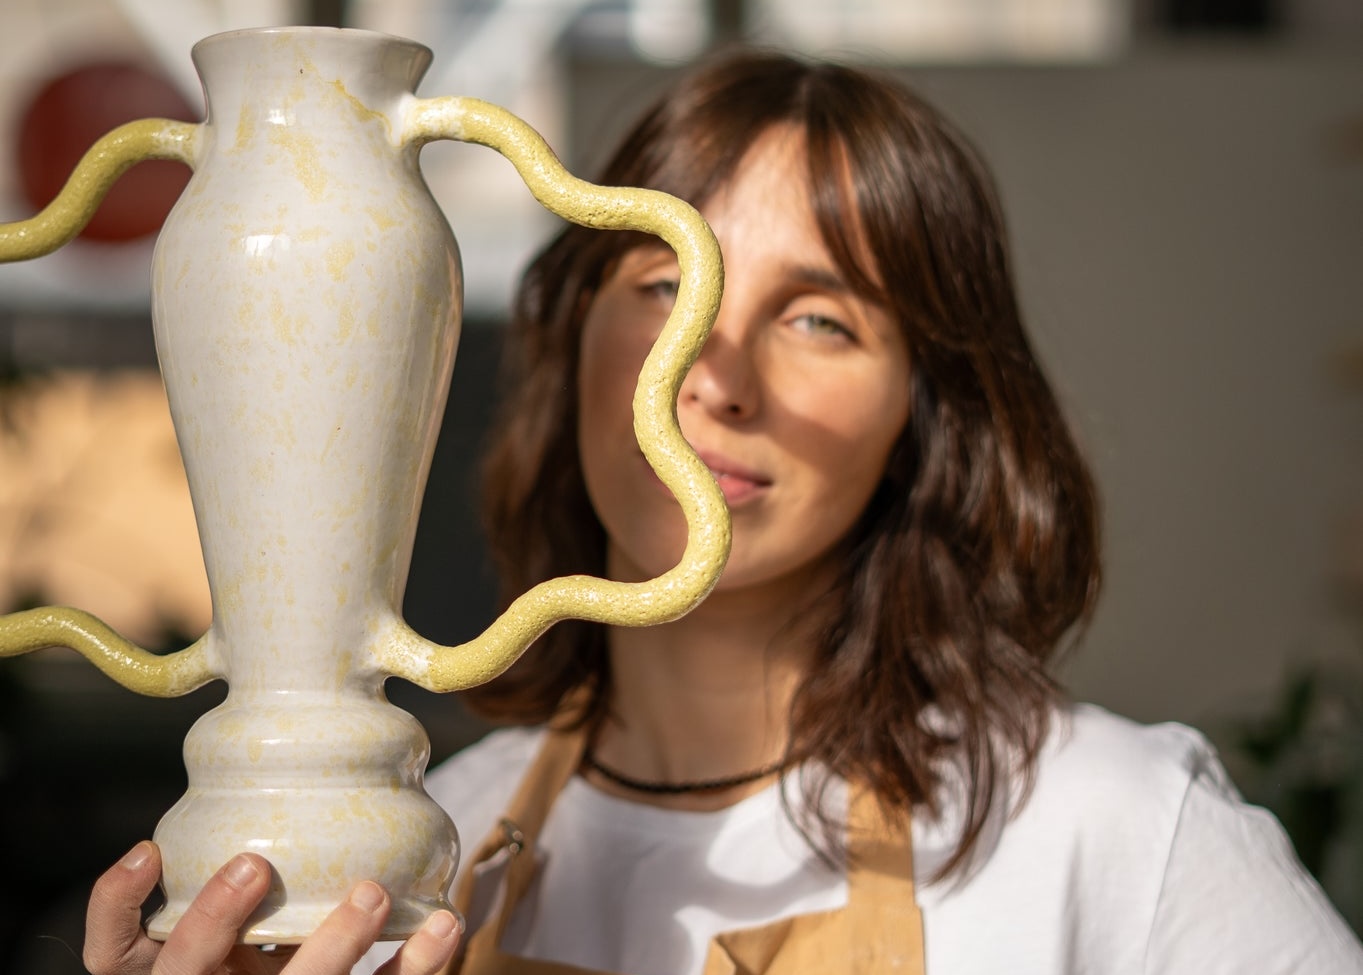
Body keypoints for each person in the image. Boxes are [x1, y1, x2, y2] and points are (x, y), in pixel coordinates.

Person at [83, 49, 1363, 975]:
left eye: (818, 318)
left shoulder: (1116, 834)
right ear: (568, 341)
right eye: (661, 286)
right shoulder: (403, 866)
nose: (712, 374)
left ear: (924, 409)